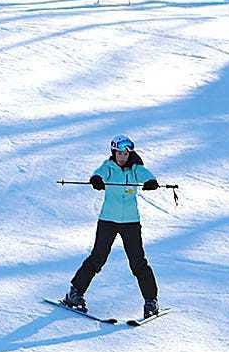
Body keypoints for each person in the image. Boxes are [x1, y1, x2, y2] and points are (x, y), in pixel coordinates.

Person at [62, 134, 161, 320]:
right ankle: (75, 293)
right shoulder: (108, 167)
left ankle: (151, 300)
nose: (122, 157)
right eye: (119, 153)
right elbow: (99, 173)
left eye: (125, 153)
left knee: (138, 262)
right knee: (97, 258)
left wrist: (150, 181)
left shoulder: (135, 168)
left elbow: (145, 174)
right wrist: (96, 179)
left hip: (130, 222)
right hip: (108, 220)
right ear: (113, 152)